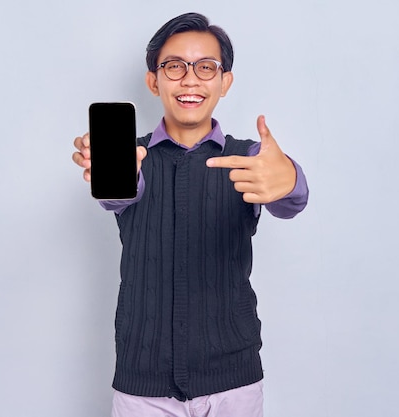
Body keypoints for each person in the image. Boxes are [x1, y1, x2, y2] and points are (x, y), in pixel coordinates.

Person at [72, 12, 309, 417]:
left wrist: (288, 179)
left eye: (205, 67)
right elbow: (117, 197)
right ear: (154, 81)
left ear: (224, 82)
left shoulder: (250, 157)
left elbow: (288, 199)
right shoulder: (132, 156)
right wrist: (114, 177)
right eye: (174, 66)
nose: (190, 79)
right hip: (141, 383)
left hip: (233, 381)